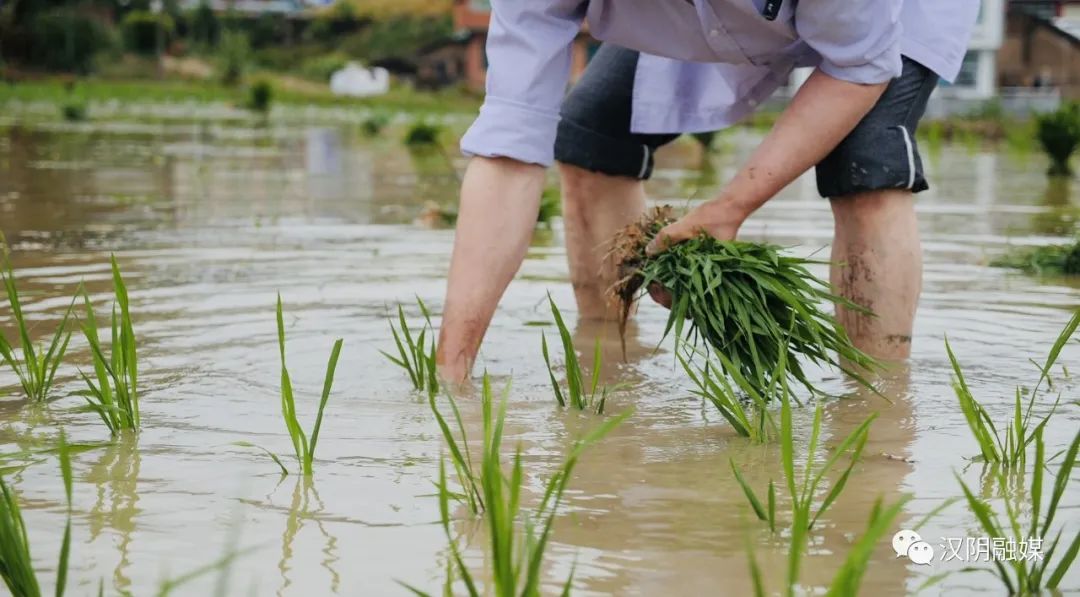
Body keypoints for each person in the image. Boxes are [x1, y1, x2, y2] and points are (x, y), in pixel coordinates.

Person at [436, 0, 980, 382]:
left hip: (886, 18)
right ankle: (609, 362)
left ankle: (876, 403)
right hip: (697, 15)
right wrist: (452, 368)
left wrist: (729, 209)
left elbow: (860, 68)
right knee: (592, 134)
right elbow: (509, 146)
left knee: (864, 160)